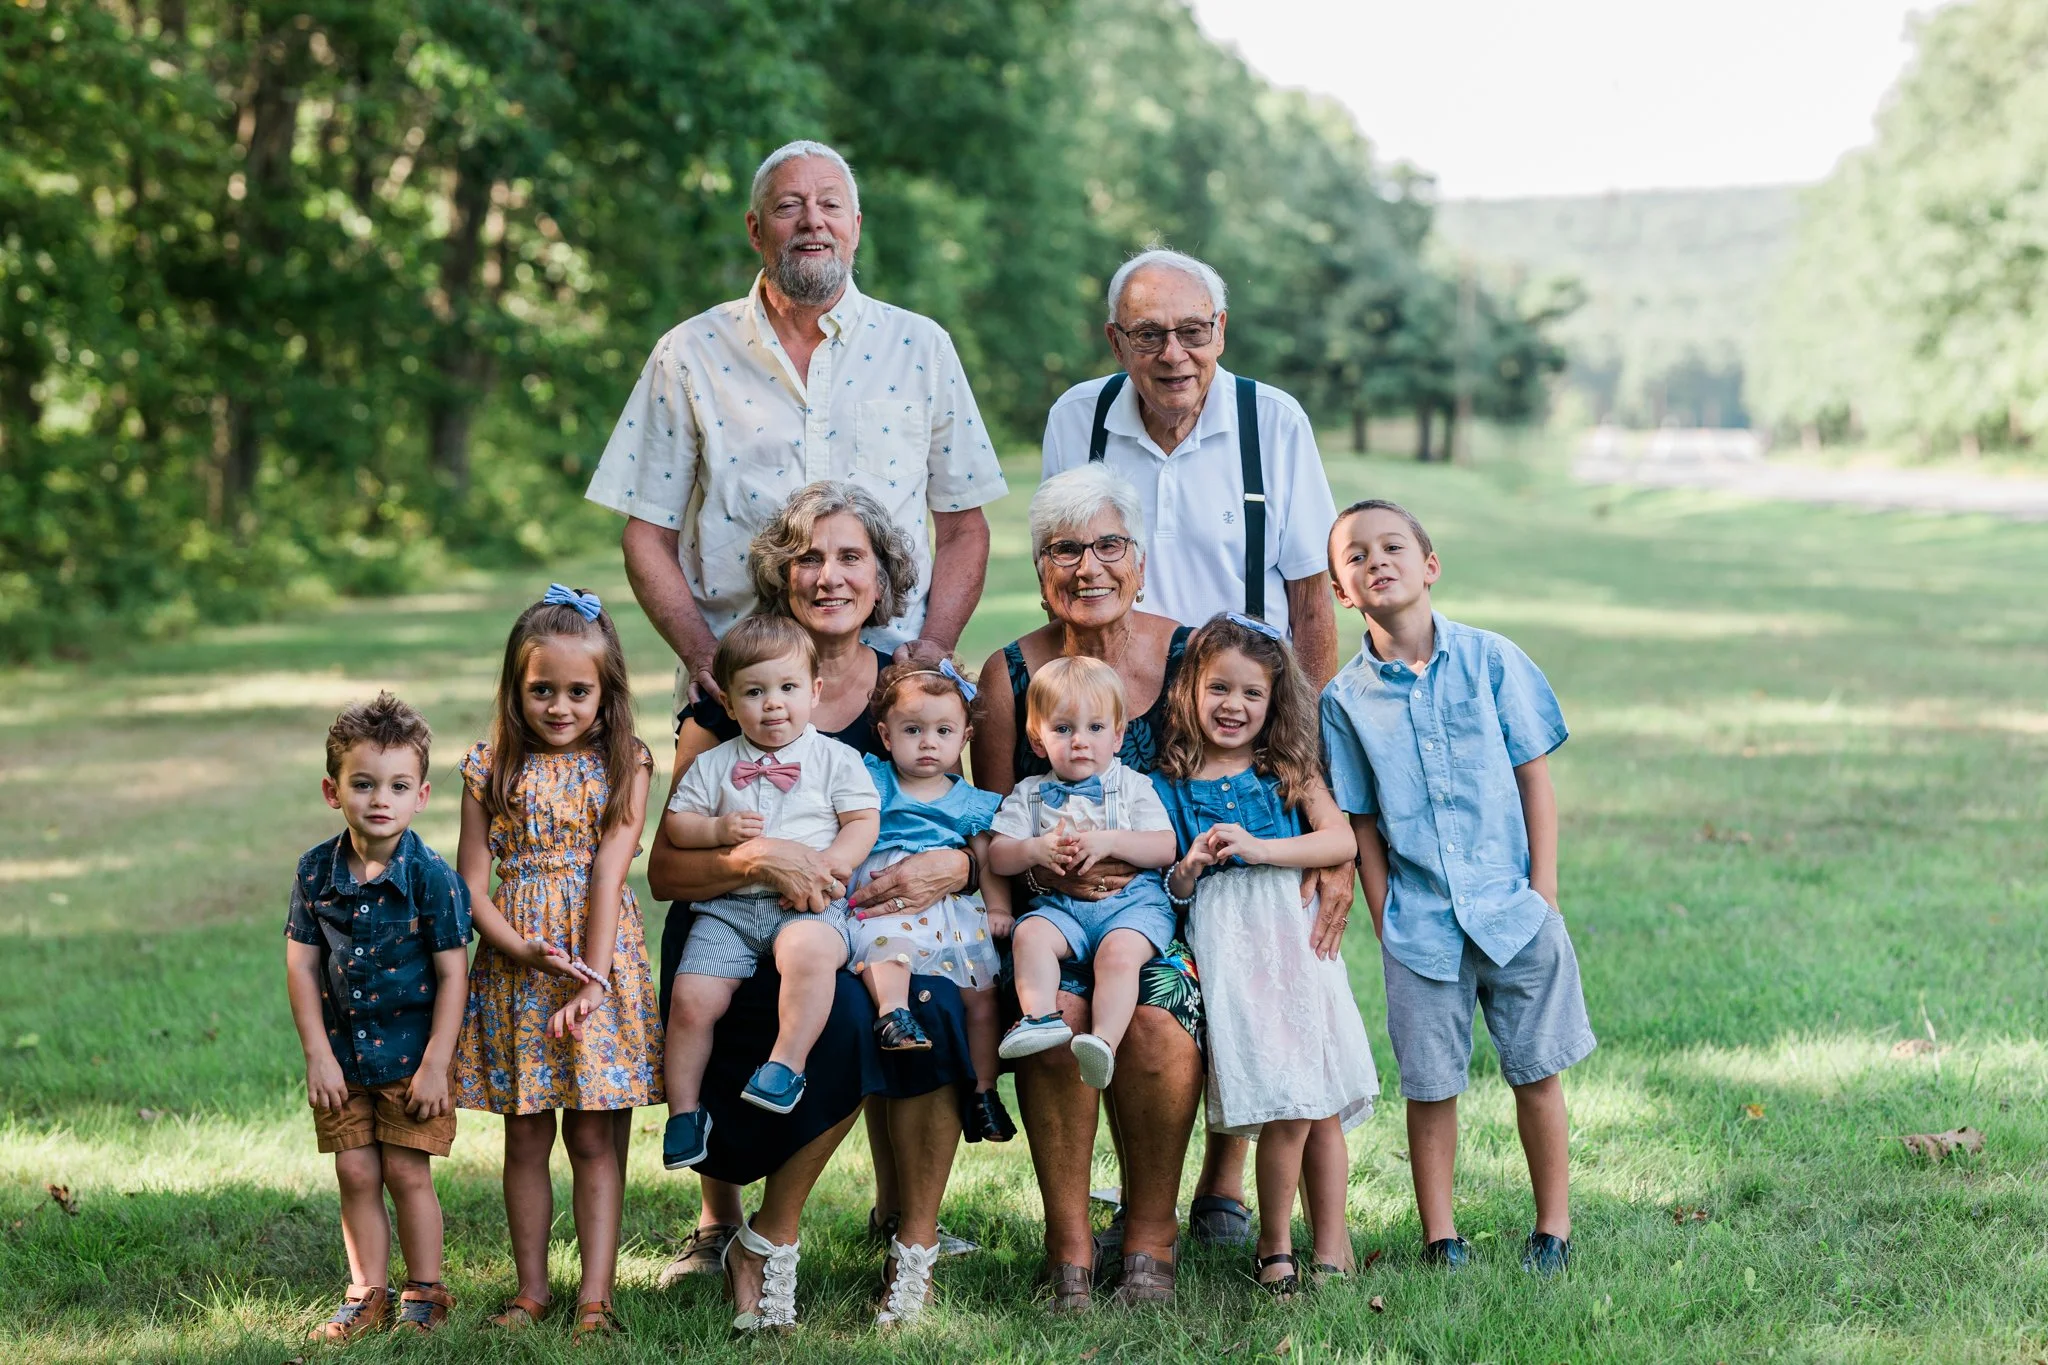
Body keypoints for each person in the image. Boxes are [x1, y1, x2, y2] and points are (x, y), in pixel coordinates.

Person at [647, 484, 977, 1329]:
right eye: (809, 558)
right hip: (729, 922)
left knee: (911, 1009)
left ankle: (892, 1241)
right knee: (756, 1001)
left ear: (882, 575)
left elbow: (969, 819)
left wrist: (959, 864)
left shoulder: (913, 690)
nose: (829, 576)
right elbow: (666, 868)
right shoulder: (728, 696)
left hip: (859, 931)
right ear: (780, 574)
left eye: (850, 557)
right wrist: (756, 853)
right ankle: (745, 1224)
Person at [588, 138, 1008, 717]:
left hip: (892, 683)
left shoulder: (921, 347)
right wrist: (703, 654)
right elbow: (647, 534)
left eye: (830, 205)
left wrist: (932, 648)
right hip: (742, 681)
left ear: (855, 226)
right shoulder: (689, 353)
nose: (813, 221)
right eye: (789, 207)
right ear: (756, 230)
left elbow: (964, 526)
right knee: (721, 815)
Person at [1319, 499, 1595, 1276]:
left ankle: (1553, 1227)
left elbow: (1532, 773)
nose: (1378, 561)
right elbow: (1362, 822)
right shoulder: (1343, 701)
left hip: (1514, 909)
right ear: (1344, 591)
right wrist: (1384, 915)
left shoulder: (1493, 660)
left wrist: (1543, 891)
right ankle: (1442, 1236)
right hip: (1421, 926)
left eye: (1394, 546)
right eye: (1357, 556)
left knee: (1536, 1071)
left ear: (1430, 565)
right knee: (1431, 1084)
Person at [969, 464, 1210, 1309]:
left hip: (1170, 910)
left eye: (1109, 544)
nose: (1089, 566)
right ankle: (1068, 1244)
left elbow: (1234, 774)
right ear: (1040, 571)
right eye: (1065, 549)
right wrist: (1034, 865)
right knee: (1058, 1014)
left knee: (1154, 1008)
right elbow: (990, 815)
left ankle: (1151, 1236)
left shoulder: (1189, 655)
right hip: (1049, 913)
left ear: (1139, 562)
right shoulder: (1009, 674)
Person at [452, 586, 659, 1339]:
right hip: (518, 963)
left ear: (607, 696)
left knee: (597, 1134)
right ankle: (532, 1288)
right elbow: (469, 884)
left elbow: (610, 872)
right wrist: (514, 945)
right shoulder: (487, 766)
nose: (560, 705)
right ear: (516, 689)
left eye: (579, 690)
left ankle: (595, 1297)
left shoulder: (626, 761)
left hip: (601, 959)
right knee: (527, 1130)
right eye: (542, 689)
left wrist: (591, 979)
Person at [1154, 614, 1374, 1298]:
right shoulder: (1172, 778)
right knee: (1285, 1097)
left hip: (1298, 942)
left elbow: (1339, 843)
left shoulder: (1285, 768)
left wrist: (1261, 847)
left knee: (1322, 1096)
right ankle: (1275, 1244)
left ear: (1274, 701)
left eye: (1252, 694)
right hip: (1235, 948)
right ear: (1190, 687)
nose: (1233, 705)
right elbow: (1176, 883)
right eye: (1219, 688)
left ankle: (1331, 1246)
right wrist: (1189, 868)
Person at [1041, 247, 1339, 683]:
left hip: (1243, 713)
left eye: (1193, 331)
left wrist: (1309, 739)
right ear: (1115, 342)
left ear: (1220, 331)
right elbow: (1057, 584)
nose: (1173, 354)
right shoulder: (1077, 419)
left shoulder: (1275, 422)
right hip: (1115, 713)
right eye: (1148, 335)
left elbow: (1312, 607)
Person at [285, 694, 471, 1340]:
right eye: (362, 783)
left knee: (404, 1170)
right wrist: (316, 1052)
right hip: (342, 1056)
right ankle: (367, 1291)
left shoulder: (433, 879)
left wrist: (437, 1064)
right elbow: (301, 965)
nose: (379, 798)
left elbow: (454, 974)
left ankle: (426, 1291)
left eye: (396, 785)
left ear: (421, 794)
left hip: (413, 1061)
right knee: (355, 1169)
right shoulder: (315, 873)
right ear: (333, 790)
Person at [660, 614, 879, 1158]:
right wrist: (716, 829)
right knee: (691, 998)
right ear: (730, 705)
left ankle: (785, 1064)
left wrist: (831, 866)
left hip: (808, 906)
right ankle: (684, 1113)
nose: (774, 704)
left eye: (788, 688)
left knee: (809, 953)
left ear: (815, 691)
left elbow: (862, 821)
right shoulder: (714, 765)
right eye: (755, 692)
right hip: (727, 912)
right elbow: (676, 826)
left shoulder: (835, 759)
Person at [845, 657, 1016, 1141]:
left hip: (951, 912)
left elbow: (986, 858)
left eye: (943, 731)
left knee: (980, 1000)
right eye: (913, 730)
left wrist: (998, 907)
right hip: (888, 894)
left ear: (964, 739)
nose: (927, 742)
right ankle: (893, 1016)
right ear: (884, 735)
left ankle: (984, 1093)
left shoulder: (973, 802)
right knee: (886, 950)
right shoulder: (875, 780)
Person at [990, 656, 1178, 1090]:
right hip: (1061, 909)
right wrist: (1034, 849)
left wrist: (1111, 841)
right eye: (1062, 729)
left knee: (1118, 956)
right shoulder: (1030, 795)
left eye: (1095, 728)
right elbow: (999, 856)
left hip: (1130, 907)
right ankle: (1039, 1017)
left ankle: (1103, 1044)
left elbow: (1164, 846)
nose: (1080, 742)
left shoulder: (1132, 786)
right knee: (1029, 935)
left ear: (1117, 735)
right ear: (1037, 740)